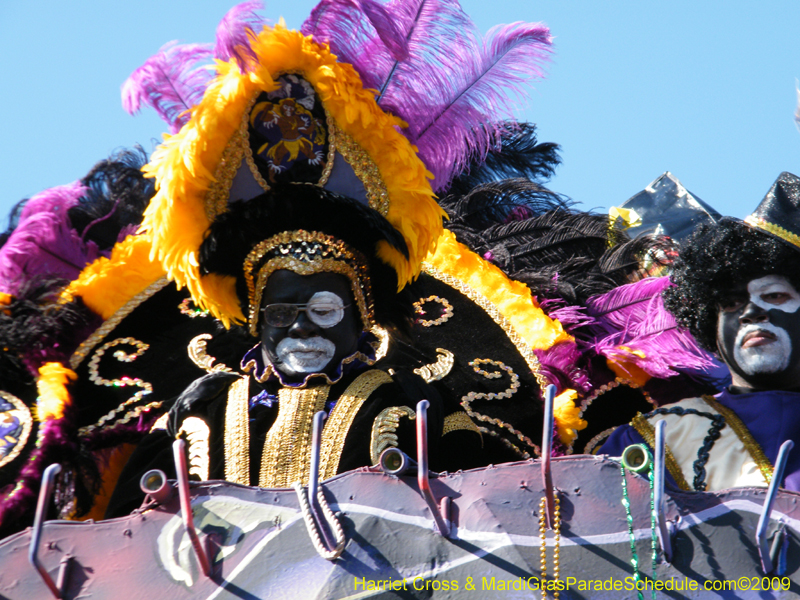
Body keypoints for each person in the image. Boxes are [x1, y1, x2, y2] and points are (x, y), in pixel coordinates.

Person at [601, 172, 800, 492]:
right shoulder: (648, 442)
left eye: (775, 295)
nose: (751, 312)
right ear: (712, 331)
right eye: (731, 303)